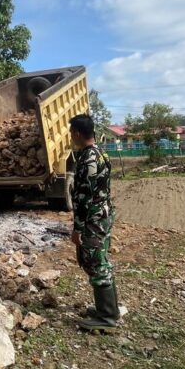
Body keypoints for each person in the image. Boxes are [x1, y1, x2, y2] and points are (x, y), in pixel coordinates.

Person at [69, 113, 119, 330]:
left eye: (71, 133)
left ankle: (106, 317)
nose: (71, 136)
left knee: (96, 263)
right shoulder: (102, 154)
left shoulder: (86, 159)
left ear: (78, 133)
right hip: (104, 216)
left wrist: (77, 229)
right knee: (101, 260)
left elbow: (82, 198)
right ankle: (107, 309)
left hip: (93, 220)